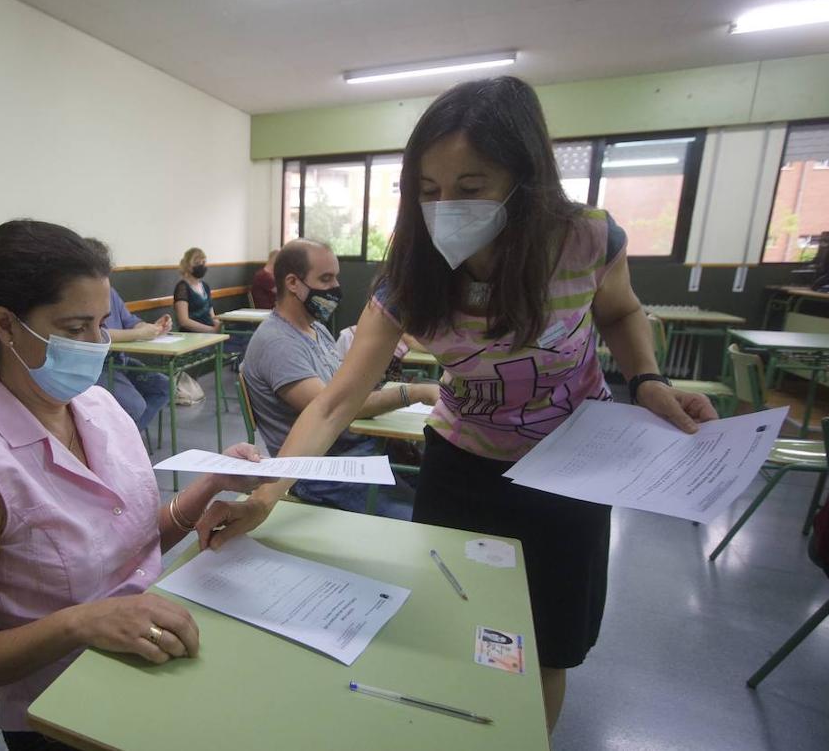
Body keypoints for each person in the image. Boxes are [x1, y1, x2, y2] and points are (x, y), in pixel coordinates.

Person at [194, 77, 718, 733]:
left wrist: (645, 379)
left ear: (524, 181)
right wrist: (266, 497)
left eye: (471, 188)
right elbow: (335, 403)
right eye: (429, 190)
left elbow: (621, 311)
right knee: (451, 626)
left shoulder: (586, 240)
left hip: (573, 466)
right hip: (464, 463)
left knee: (547, 643)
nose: (447, 208)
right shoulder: (414, 271)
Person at [0, 221, 261, 751]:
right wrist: (81, 624)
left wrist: (210, 483)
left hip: (148, 647)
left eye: (101, 324)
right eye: (75, 328)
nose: (96, 344)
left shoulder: (99, 407)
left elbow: (130, 543)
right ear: (6, 325)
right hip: (61, 708)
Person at [242, 239, 436, 518]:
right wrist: (412, 392)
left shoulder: (316, 329)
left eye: (336, 277)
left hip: (357, 452)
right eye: (325, 278)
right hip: (321, 472)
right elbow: (337, 408)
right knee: (421, 519)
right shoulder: (277, 343)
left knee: (437, 500)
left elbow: (345, 392)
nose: (335, 288)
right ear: (293, 283)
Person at [82, 238, 172, 432]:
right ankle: (120, 444)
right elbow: (97, 334)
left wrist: (152, 327)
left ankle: (128, 438)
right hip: (97, 366)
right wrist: (139, 333)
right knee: (135, 407)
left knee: (163, 387)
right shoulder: (80, 296)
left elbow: (130, 320)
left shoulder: (110, 292)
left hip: (119, 361)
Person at [172, 247, 219, 333]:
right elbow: (184, 321)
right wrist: (211, 330)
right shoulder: (182, 287)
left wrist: (219, 325)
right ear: (188, 266)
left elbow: (212, 315)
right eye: (197, 263)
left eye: (204, 262)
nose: (201, 265)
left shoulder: (205, 286)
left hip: (209, 333)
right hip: (192, 335)